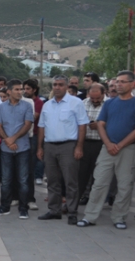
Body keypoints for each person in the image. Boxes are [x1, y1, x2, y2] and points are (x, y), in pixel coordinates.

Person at [77, 71, 135, 229]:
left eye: (123, 82)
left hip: (128, 149)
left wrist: (121, 144)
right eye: (117, 81)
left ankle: (119, 217)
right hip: (107, 149)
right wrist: (108, 143)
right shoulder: (110, 103)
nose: (118, 84)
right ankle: (90, 216)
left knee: (124, 185)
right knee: (99, 183)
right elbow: (100, 124)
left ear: (132, 84)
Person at [37, 75, 89, 225]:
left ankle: (72, 211)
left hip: (69, 146)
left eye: (60, 85)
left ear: (66, 87)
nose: (57, 87)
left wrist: (79, 146)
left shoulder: (76, 103)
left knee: (71, 181)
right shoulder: (47, 105)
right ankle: (54, 210)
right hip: (50, 146)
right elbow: (41, 127)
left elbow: (82, 125)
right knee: (52, 181)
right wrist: (40, 147)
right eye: (54, 84)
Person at [0, 79, 34, 219]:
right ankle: (4, 206)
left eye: (21, 89)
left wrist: (13, 138)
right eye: (16, 89)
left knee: (23, 180)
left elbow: (27, 125)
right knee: (6, 181)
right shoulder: (2, 107)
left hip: (22, 148)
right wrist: (7, 141)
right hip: (6, 149)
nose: (20, 91)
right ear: (9, 91)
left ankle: (23, 208)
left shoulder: (27, 106)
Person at [77, 83, 108, 206]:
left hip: (102, 143)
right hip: (85, 142)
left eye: (98, 98)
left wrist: (102, 125)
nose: (95, 100)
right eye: (92, 98)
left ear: (103, 93)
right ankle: (76, 201)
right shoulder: (83, 103)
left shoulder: (110, 104)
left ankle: (94, 203)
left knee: (99, 176)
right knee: (81, 174)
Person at [23, 79, 43, 210]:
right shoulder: (21, 101)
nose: (25, 91)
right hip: (21, 136)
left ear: (34, 90)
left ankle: (30, 198)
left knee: (29, 168)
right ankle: (16, 196)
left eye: (28, 89)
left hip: (33, 136)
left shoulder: (39, 103)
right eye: (24, 88)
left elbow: (32, 118)